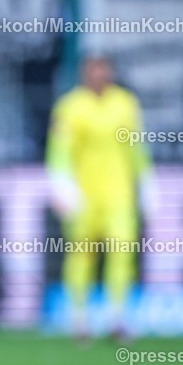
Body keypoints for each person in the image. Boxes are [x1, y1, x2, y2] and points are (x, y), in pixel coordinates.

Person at [46, 55, 156, 340]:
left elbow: (136, 148)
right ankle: (79, 318)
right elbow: (59, 151)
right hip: (84, 194)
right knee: (82, 255)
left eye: (103, 70)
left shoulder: (125, 103)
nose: (99, 76)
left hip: (119, 194)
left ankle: (117, 317)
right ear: (84, 74)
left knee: (122, 253)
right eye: (93, 71)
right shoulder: (70, 106)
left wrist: (147, 182)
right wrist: (61, 186)